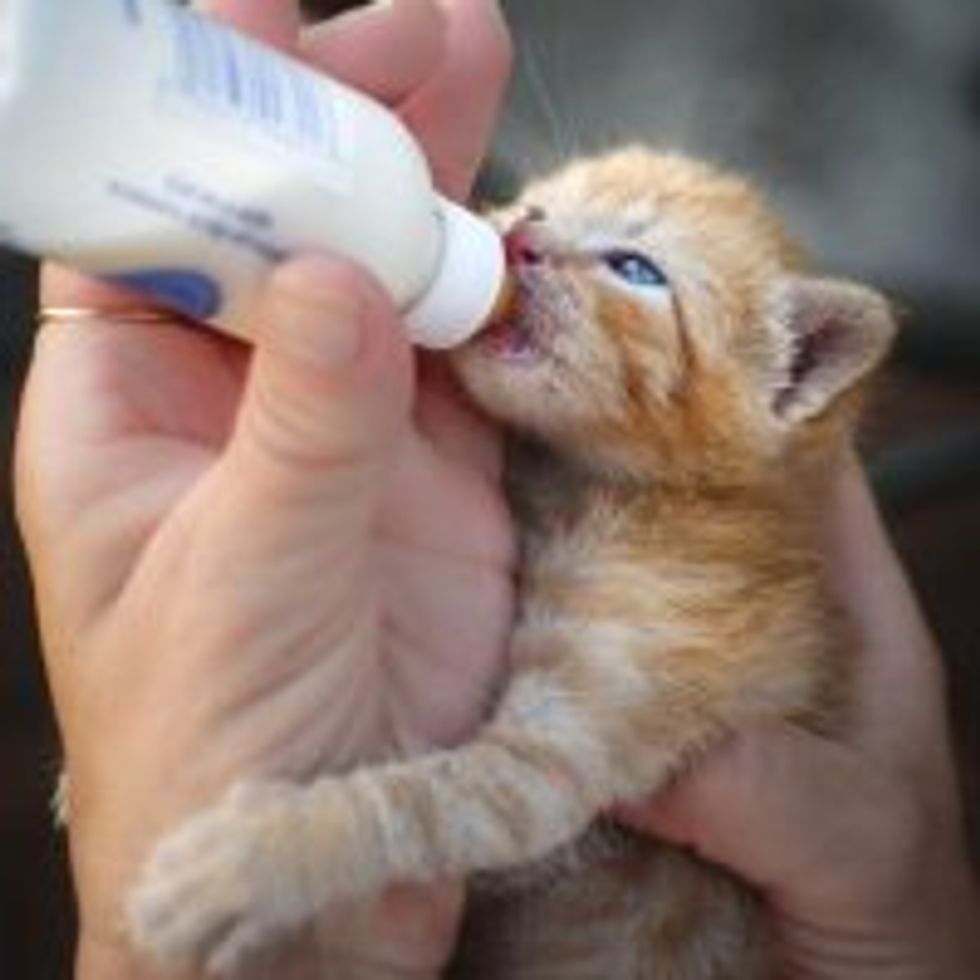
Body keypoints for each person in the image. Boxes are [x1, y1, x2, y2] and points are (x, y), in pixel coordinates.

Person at [13, 1, 978, 978]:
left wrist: (289, 845)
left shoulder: (700, 584)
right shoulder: (490, 499)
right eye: (529, 213)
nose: (523, 247)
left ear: (785, 380)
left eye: (634, 269)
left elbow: (530, 782)